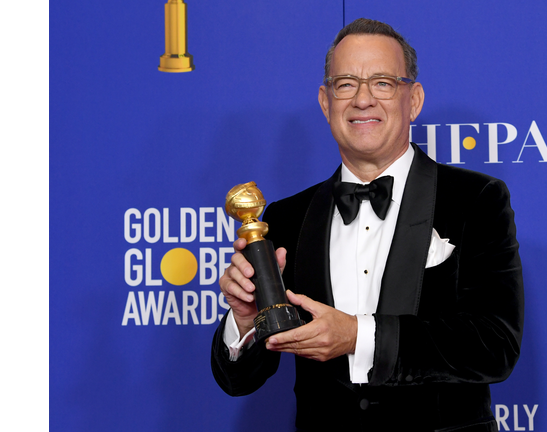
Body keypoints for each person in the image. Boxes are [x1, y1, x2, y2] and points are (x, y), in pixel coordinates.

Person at [211, 18, 524, 432]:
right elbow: (239, 381)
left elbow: (493, 347)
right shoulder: (287, 217)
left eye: (382, 83)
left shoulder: (475, 200)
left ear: (413, 99)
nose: (362, 100)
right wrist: (246, 320)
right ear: (326, 103)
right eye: (345, 84)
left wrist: (359, 335)